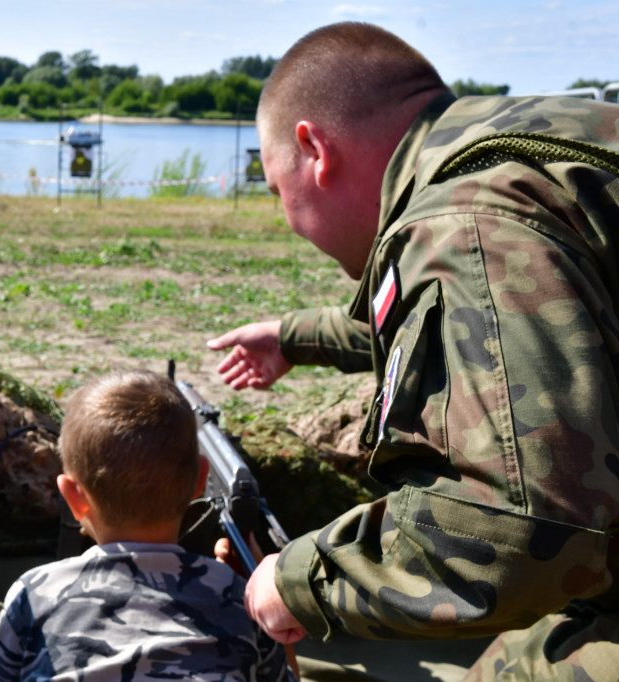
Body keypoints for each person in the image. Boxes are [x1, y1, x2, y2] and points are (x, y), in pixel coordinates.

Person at [208, 21, 619, 681]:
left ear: (312, 149)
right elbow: (488, 316)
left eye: (275, 186)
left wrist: (299, 581)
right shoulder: (532, 142)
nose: (285, 215)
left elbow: (523, 539)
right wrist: (292, 338)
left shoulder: (460, 221)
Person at [0, 369, 298, 681]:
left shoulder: (34, 594)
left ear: (72, 497)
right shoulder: (233, 594)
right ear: (200, 481)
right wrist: (267, 595)